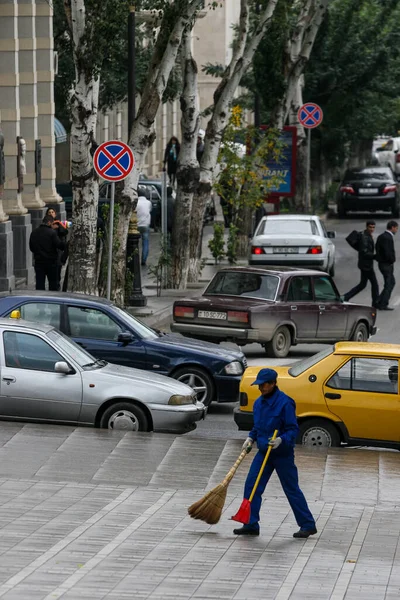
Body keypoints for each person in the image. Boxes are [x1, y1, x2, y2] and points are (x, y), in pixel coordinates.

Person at [234, 368, 316, 538]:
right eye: (259, 385)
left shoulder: (285, 403)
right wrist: (251, 438)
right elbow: (258, 427)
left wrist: (281, 440)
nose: (261, 388)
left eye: (264, 385)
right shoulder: (258, 403)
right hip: (264, 451)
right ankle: (250, 523)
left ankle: (307, 524)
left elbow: (293, 430)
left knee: (291, 489)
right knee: (252, 486)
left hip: (282, 455)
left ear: (273, 384)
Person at [343, 220, 379, 307]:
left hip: (365, 264)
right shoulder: (365, 237)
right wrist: (374, 256)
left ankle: (345, 297)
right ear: (366, 227)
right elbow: (364, 252)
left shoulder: (367, 235)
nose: (372, 229)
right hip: (366, 265)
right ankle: (375, 303)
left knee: (362, 284)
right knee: (374, 284)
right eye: (370, 227)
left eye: (373, 227)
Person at [29, 215, 65, 291]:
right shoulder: (52, 233)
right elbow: (59, 245)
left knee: (39, 284)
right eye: (52, 223)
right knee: (53, 284)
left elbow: (31, 247)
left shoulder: (34, 232)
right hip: (51, 262)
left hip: (39, 261)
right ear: (49, 222)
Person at [375, 220, 398, 310]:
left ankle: (379, 301)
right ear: (392, 227)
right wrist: (392, 260)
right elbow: (387, 251)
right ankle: (383, 304)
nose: (396, 230)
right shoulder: (387, 237)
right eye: (396, 228)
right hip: (386, 264)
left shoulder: (382, 236)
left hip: (383, 263)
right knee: (389, 284)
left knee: (391, 282)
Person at [45, 207, 68, 290]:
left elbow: (65, 232)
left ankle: (57, 286)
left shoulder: (59, 223)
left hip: (58, 251)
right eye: (49, 212)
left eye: (52, 212)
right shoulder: (46, 225)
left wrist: (59, 226)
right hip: (49, 252)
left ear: (55, 214)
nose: (51, 214)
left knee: (58, 270)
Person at [137, 193, 152, 266]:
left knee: (134, 242)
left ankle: (134, 257)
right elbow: (150, 210)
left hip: (136, 224)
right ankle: (143, 260)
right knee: (145, 242)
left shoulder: (136, 202)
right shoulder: (148, 202)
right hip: (146, 224)